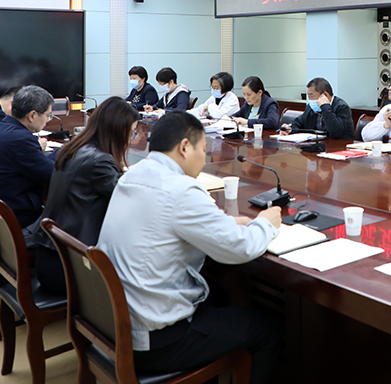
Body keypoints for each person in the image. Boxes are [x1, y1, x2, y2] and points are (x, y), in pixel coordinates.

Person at [97, 111, 283, 384]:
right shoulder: (181, 189)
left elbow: (163, 222)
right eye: (203, 150)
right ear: (185, 147)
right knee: (269, 327)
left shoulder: (132, 174)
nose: (204, 159)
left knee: (218, 295)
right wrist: (266, 223)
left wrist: (227, 222)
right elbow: (239, 248)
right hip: (155, 340)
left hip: (116, 321)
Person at [32, 96, 139, 294]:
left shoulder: (75, 148)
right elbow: (129, 202)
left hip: (51, 256)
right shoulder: (100, 162)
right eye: (131, 132)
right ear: (118, 130)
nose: (130, 139)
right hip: (68, 269)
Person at [0, 86, 56, 232]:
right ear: (32, 115)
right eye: (48, 115)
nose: (48, 120)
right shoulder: (20, 139)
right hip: (12, 218)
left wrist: (63, 152)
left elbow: (36, 160)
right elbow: (53, 174)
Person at [280, 77, 354, 139]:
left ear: (325, 95)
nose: (310, 100)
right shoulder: (311, 107)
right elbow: (299, 122)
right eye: (308, 96)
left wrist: (325, 106)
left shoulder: (342, 107)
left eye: (311, 96)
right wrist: (289, 128)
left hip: (338, 147)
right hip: (317, 146)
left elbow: (335, 131)